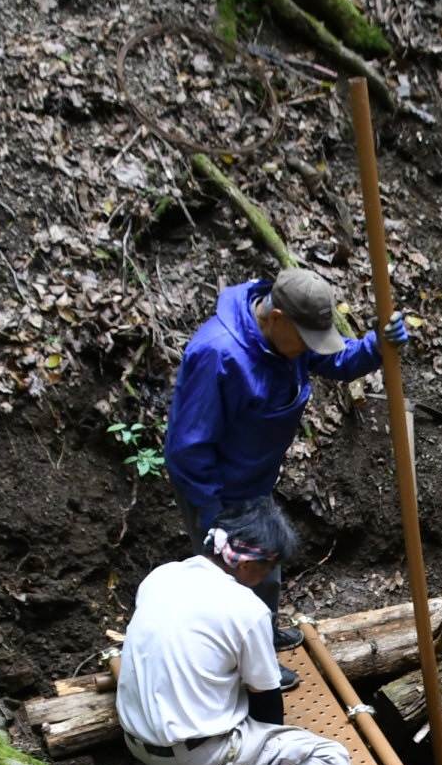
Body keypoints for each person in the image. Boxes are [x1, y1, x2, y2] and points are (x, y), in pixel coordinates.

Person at [164, 268, 410, 649]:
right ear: (276, 318)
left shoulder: (288, 339)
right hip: (213, 487)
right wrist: (215, 518)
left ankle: (263, 634)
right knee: (230, 583)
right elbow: (187, 448)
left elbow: (339, 360)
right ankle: (244, 660)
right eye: (305, 339)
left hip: (255, 483)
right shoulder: (218, 354)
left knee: (265, 569)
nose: (309, 347)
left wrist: (376, 346)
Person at [116, 499, 351, 765]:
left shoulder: (161, 576)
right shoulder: (246, 609)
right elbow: (267, 699)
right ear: (248, 563)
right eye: (268, 567)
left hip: (136, 741)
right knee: (332, 758)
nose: (267, 576)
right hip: (196, 759)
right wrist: (270, 742)